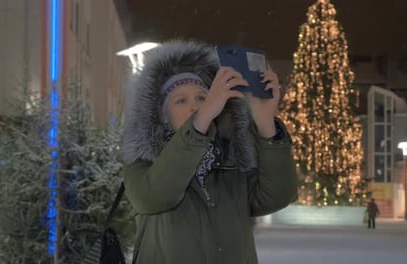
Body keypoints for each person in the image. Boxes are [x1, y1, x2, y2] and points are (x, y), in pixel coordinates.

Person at [122, 40, 298, 264]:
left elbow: (277, 197)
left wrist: (265, 125)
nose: (195, 107)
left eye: (202, 98)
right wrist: (200, 121)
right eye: (181, 100)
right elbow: (153, 196)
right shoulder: (144, 162)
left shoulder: (230, 160)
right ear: (163, 116)